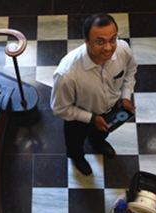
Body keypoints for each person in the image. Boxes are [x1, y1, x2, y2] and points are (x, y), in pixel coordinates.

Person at [50, 13, 137, 175]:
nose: (109, 48)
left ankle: (97, 143)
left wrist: (125, 96)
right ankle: (78, 158)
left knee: (102, 132)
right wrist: (91, 118)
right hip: (78, 119)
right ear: (86, 41)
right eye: (100, 42)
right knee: (75, 143)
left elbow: (131, 71)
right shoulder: (67, 74)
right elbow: (59, 108)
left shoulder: (123, 49)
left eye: (112, 39)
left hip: (110, 109)